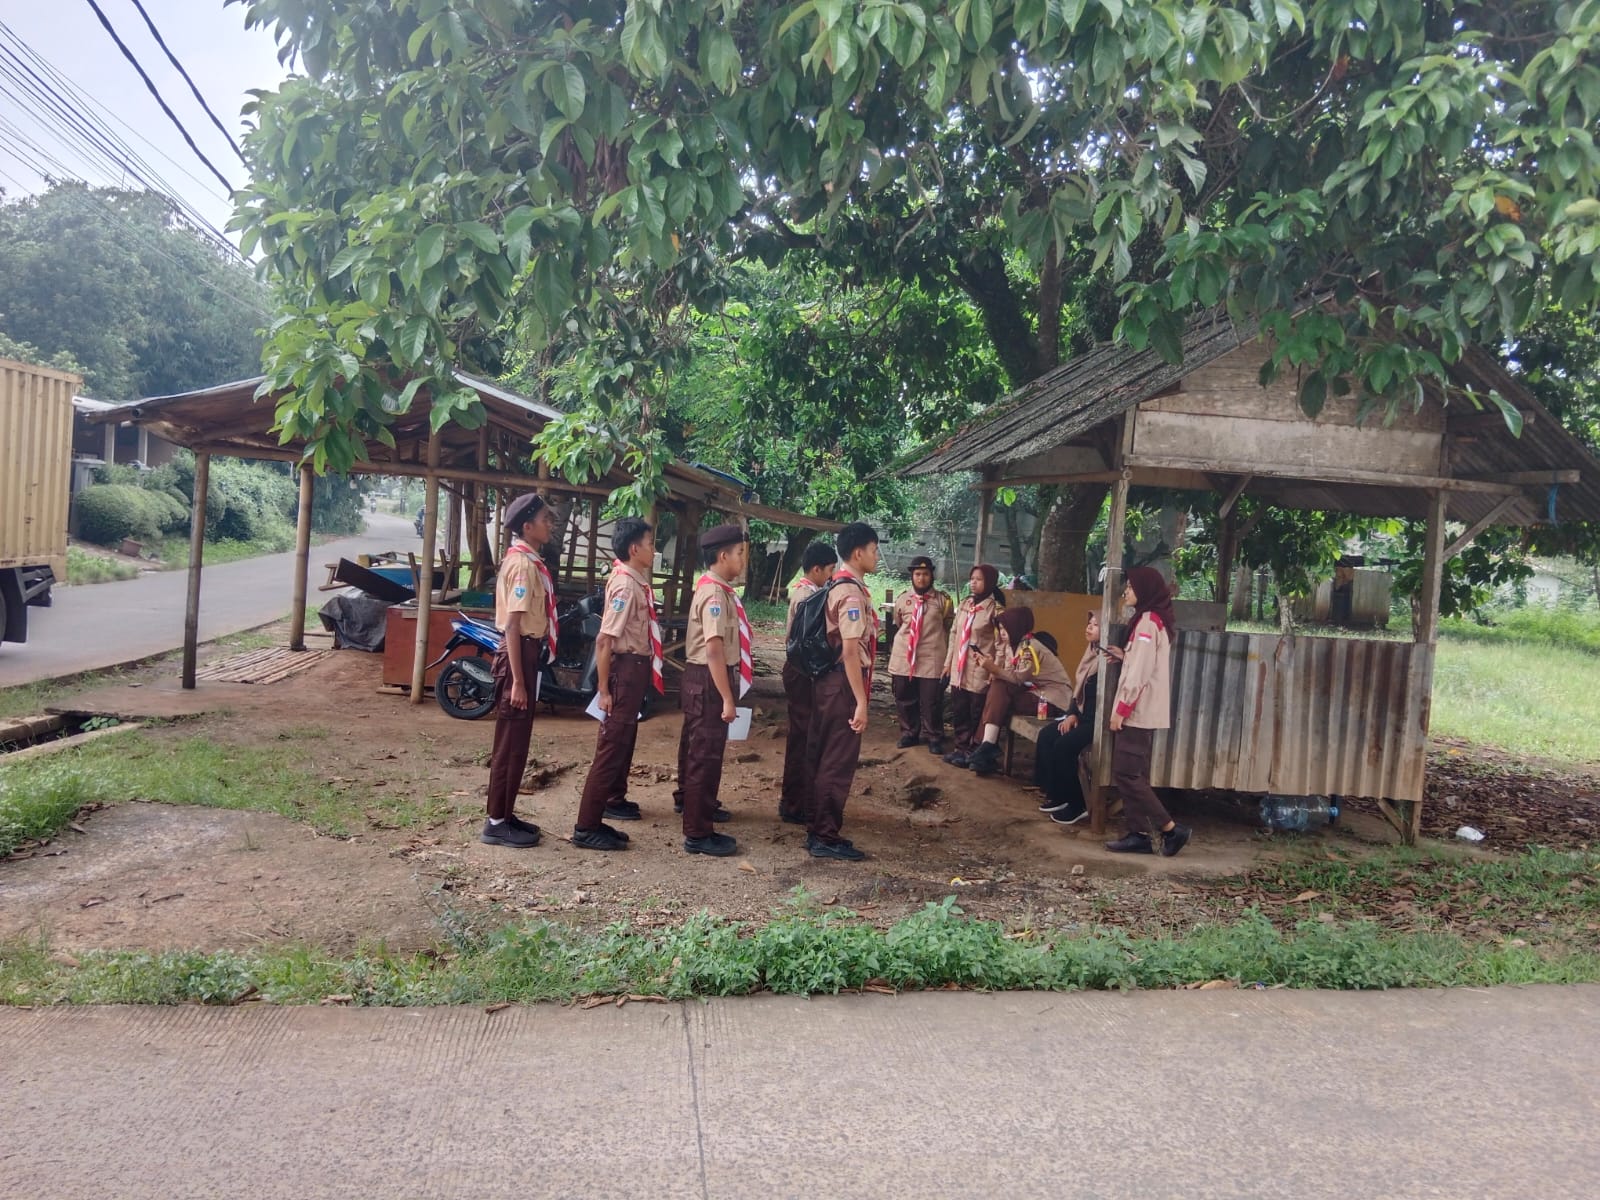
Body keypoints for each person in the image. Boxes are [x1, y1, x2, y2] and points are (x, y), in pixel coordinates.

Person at [570, 517, 663, 851]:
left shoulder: (634, 581)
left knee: (621, 742)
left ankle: (601, 813)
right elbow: (605, 640)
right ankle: (586, 826)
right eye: (650, 545)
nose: (654, 550)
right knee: (611, 747)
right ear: (634, 549)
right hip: (624, 670)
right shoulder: (625, 585)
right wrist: (604, 689)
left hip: (634, 670)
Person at [481, 492, 559, 849]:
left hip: (526, 653)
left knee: (518, 743)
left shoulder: (528, 561)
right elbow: (512, 626)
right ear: (528, 527)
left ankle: (506, 814)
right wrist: (518, 682)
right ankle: (496, 822)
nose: (550, 525)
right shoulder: (524, 567)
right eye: (545, 520)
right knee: (510, 743)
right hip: (518, 655)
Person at [672, 523, 750, 857]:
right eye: (740, 553)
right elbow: (715, 649)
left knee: (697, 749)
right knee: (705, 755)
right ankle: (698, 832)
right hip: (709, 678)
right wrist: (728, 698)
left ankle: (694, 808)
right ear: (723, 556)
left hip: (705, 676)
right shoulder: (715, 594)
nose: (743, 560)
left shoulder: (716, 589)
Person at [805, 521, 880, 860]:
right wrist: (861, 701)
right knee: (837, 760)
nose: (877, 556)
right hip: (844, 684)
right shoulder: (850, 593)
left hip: (830, 682)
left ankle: (818, 829)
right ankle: (825, 835)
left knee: (824, 755)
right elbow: (850, 651)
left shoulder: (838, 584)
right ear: (858, 553)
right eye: (874, 550)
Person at [1105, 566, 1191, 857]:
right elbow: (1142, 661)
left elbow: (1140, 674)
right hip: (1140, 710)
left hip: (1137, 712)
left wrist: (1121, 710)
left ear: (1144, 590)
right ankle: (1138, 834)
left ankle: (1171, 829)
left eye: (1131, 586)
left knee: (1128, 774)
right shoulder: (1151, 620)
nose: (1126, 591)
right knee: (1132, 774)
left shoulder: (1146, 623)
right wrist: (1125, 655)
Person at [965, 607, 1075, 778]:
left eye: (1006, 628)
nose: (1002, 633)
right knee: (997, 693)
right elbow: (1009, 674)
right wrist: (992, 666)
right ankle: (984, 749)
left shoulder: (1030, 647)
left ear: (1017, 626)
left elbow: (1018, 678)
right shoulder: (1014, 646)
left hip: (1053, 701)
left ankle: (984, 747)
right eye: (1000, 628)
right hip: (1036, 693)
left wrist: (993, 669)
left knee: (998, 693)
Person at [780, 540, 838, 825]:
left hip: (801, 669)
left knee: (805, 736)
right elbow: (806, 642)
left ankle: (797, 800)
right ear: (816, 569)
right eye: (829, 570)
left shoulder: (809, 592)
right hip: (802, 670)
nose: (832, 576)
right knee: (802, 739)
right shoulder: (807, 596)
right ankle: (794, 803)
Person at [1034, 611, 1102, 826]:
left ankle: (1078, 803)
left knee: (1064, 746)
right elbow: (1078, 692)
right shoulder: (1090, 653)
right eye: (1089, 623)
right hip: (1082, 716)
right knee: (1047, 735)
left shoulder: (1109, 661)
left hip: (1099, 722)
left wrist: (1079, 718)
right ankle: (1058, 794)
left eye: (1096, 625)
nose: (1089, 627)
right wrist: (1072, 713)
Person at [888, 555, 955, 754]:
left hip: (931, 656)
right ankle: (909, 733)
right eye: (917, 574)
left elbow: (948, 625)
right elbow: (899, 622)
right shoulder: (903, 599)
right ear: (912, 576)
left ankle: (934, 736)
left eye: (925, 574)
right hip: (905, 655)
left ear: (931, 576)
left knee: (931, 700)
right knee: (904, 696)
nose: (921, 578)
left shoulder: (943, 600)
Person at [943, 563, 1003, 768]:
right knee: (959, 708)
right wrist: (948, 662)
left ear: (990, 582)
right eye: (972, 579)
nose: (974, 583)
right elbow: (954, 634)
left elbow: (1001, 643)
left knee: (976, 709)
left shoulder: (995, 609)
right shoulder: (965, 604)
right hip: (959, 667)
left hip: (980, 668)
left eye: (979, 579)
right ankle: (960, 748)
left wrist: (996, 668)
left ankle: (973, 750)